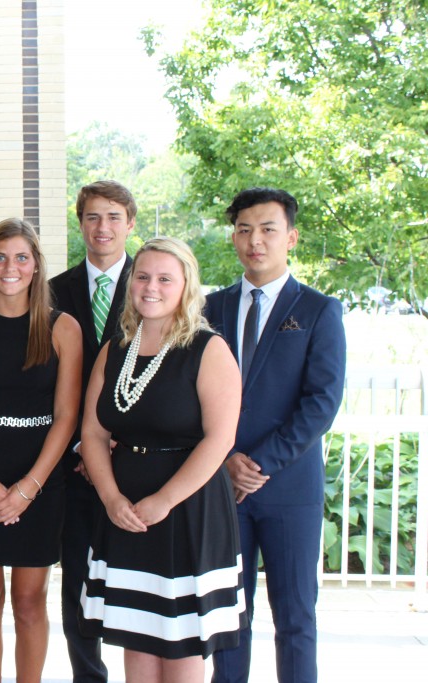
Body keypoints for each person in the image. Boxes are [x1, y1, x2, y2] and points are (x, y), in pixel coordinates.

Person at [79, 236, 245, 683]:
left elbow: (219, 439)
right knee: (137, 636)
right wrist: (111, 497)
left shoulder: (208, 349)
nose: (151, 287)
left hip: (186, 510)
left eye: (165, 279)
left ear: (186, 286)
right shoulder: (114, 350)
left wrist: (165, 500)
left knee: (180, 644)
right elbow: (93, 432)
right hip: (125, 509)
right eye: (144, 276)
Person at [208, 188, 346, 683]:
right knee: (227, 619)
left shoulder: (318, 310)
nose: (255, 240)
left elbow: (321, 403)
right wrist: (224, 459)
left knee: (295, 617)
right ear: (234, 237)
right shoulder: (211, 308)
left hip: (288, 489)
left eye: (267, 229)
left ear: (291, 236)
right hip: (220, 485)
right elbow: (191, 395)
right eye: (244, 229)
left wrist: (260, 463)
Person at [0, 218, 83, 683]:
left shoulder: (63, 328)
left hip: (40, 475)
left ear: (37, 266)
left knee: (29, 602)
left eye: (22, 257)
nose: (10, 267)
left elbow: (66, 416)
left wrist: (29, 487)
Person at [49, 179, 137, 682]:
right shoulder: (53, 290)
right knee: (76, 584)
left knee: (133, 583)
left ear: (129, 223)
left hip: (136, 463)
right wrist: (84, 444)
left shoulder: (151, 284)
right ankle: (88, 676)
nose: (102, 227)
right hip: (71, 461)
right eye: (92, 217)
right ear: (80, 223)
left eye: (113, 217)